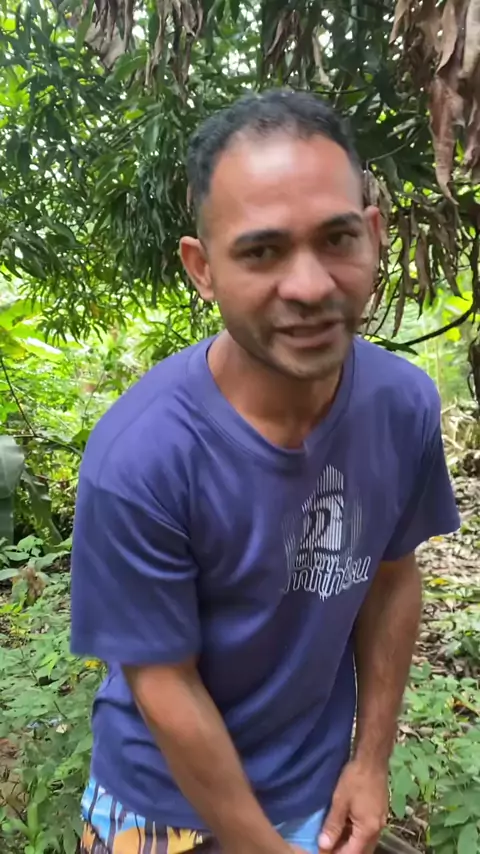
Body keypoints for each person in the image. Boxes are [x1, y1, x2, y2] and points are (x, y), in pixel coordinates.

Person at [71, 89, 460, 854]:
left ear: (374, 236)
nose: (310, 286)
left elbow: (391, 578)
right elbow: (161, 680)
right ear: (203, 269)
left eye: (336, 239)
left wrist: (370, 762)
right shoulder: (142, 457)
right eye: (261, 251)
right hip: (161, 806)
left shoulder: (401, 405)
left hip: (317, 790)